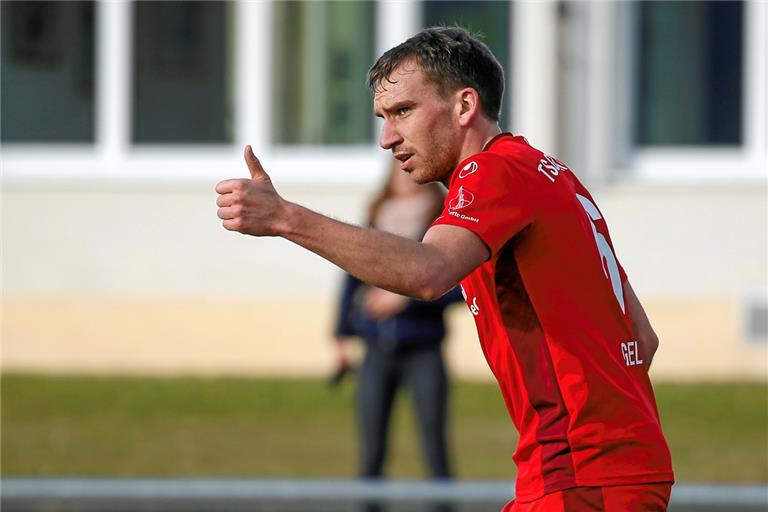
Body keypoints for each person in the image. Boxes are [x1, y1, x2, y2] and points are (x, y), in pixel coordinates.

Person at [216, 26, 674, 511]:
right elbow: (641, 338)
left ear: (464, 106)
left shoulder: (492, 171)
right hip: (615, 466)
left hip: (580, 472)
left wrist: (287, 218)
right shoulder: (551, 175)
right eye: (382, 117)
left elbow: (429, 272)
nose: (387, 137)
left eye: (403, 112)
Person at [332, 160, 461, 481]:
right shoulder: (376, 219)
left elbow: (462, 286)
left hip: (424, 348)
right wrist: (341, 334)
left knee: (434, 448)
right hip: (376, 348)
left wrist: (405, 298)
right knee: (371, 451)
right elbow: (350, 282)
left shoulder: (442, 223)